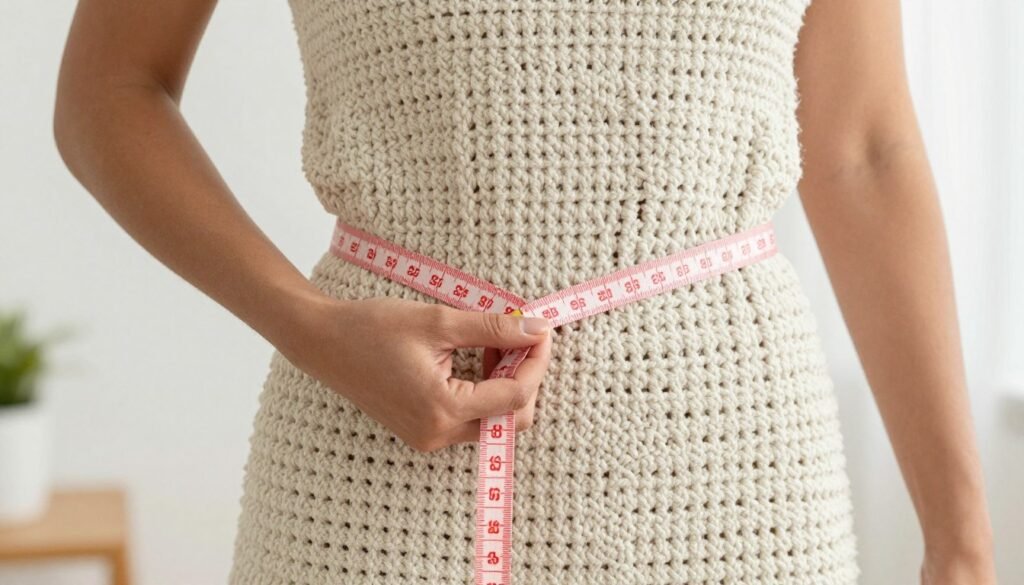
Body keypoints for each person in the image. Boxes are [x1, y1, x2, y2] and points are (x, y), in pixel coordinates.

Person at [53, 0, 995, 583]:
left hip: (735, 464)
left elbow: (863, 150)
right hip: (377, 464)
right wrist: (313, 326)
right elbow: (109, 88)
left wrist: (962, 541)